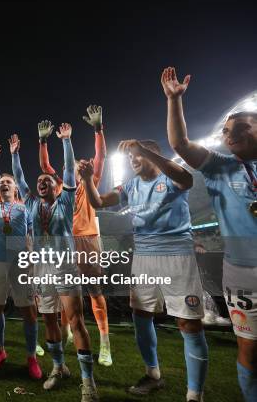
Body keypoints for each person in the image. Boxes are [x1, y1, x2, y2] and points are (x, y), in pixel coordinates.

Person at [78, 137, 208, 401]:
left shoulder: (171, 178)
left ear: (152, 154)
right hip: (144, 256)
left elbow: (187, 179)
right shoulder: (130, 185)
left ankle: (195, 393)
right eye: (129, 158)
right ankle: (153, 374)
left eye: (137, 156)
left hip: (176, 255)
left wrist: (145, 150)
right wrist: (87, 179)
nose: (133, 160)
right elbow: (99, 203)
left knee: (188, 323)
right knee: (140, 315)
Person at [162, 66, 256, 401]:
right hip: (244, 275)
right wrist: (174, 101)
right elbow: (180, 143)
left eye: (241, 127)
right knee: (250, 350)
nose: (230, 134)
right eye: (227, 129)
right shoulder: (220, 166)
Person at [13, 126, 98, 401]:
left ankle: (88, 383)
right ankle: (58, 367)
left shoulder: (66, 200)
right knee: (48, 320)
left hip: (65, 266)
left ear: (55, 185)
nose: (42, 183)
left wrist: (66, 141)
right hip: (41, 269)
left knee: (76, 322)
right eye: (39, 181)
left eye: (47, 180)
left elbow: (70, 171)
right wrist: (15, 155)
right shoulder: (31, 204)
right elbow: (19, 177)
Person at [38, 106, 112, 367]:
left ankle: (104, 343)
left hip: (88, 239)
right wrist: (44, 141)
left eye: (82, 164)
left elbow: (101, 156)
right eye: (74, 165)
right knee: (62, 293)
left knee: (94, 291)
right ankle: (68, 332)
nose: (78, 167)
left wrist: (97, 129)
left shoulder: (92, 181)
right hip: (64, 245)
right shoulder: (62, 187)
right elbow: (45, 165)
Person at [0, 145, 41, 380]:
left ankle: (31, 356)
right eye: (1, 182)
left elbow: (31, 238)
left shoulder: (24, 209)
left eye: (8, 182)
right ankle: (0, 351)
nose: (3, 184)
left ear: (15, 188)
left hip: (21, 261)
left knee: (29, 311)